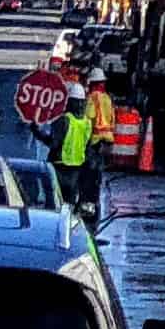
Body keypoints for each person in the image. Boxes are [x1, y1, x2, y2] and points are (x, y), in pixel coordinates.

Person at [55, 73, 106, 220]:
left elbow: (54, 143)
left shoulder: (65, 120)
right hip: (76, 168)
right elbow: (87, 145)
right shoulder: (86, 122)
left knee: (57, 204)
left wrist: (37, 132)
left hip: (60, 166)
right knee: (70, 206)